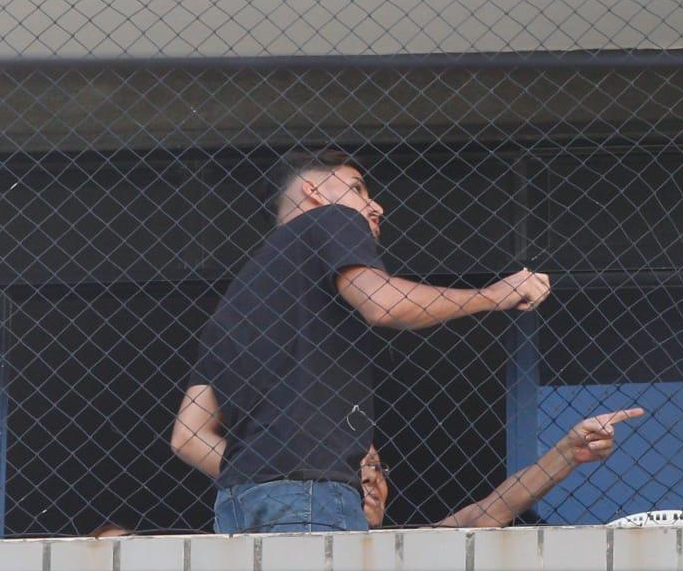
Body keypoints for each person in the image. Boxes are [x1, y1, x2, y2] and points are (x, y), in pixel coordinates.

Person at [170, 149, 551, 534]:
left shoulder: (237, 300)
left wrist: (266, 472)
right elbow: (383, 303)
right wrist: (494, 295)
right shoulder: (332, 218)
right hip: (311, 496)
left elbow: (188, 436)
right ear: (314, 191)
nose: (376, 206)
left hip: (238, 503)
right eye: (357, 188)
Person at [361, 407, 645, 528]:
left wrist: (569, 452)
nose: (371, 476)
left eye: (376, 466)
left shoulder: (405, 547)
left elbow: (485, 514)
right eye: (356, 466)